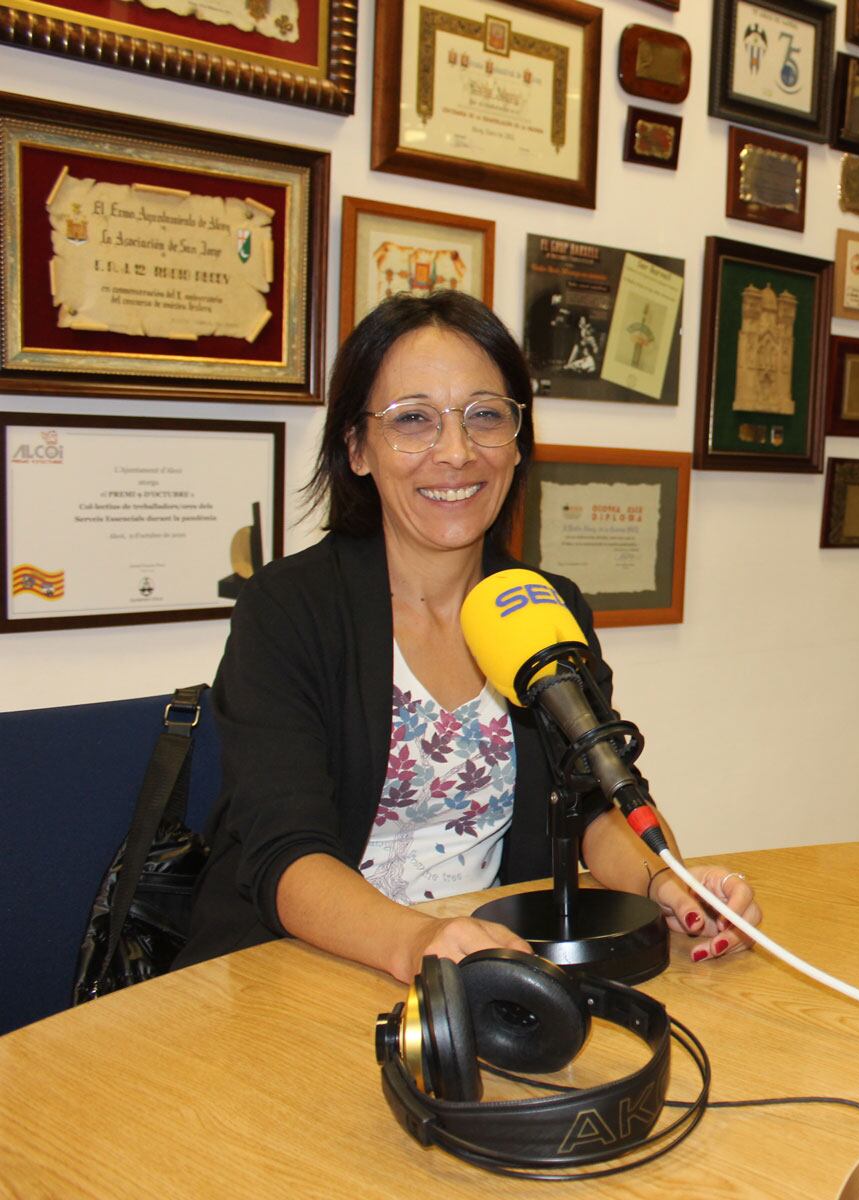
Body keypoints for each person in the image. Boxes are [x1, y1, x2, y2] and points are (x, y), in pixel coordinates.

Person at [179, 291, 758, 983]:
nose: (455, 452)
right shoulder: (289, 607)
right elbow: (283, 853)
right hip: (300, 967)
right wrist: (417, 942)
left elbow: (598, 803)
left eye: (485, 415)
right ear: (358, 448)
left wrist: (667, 883)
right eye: (414, 420)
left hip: (492, 969)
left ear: (516, 444)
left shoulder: (546, 606)